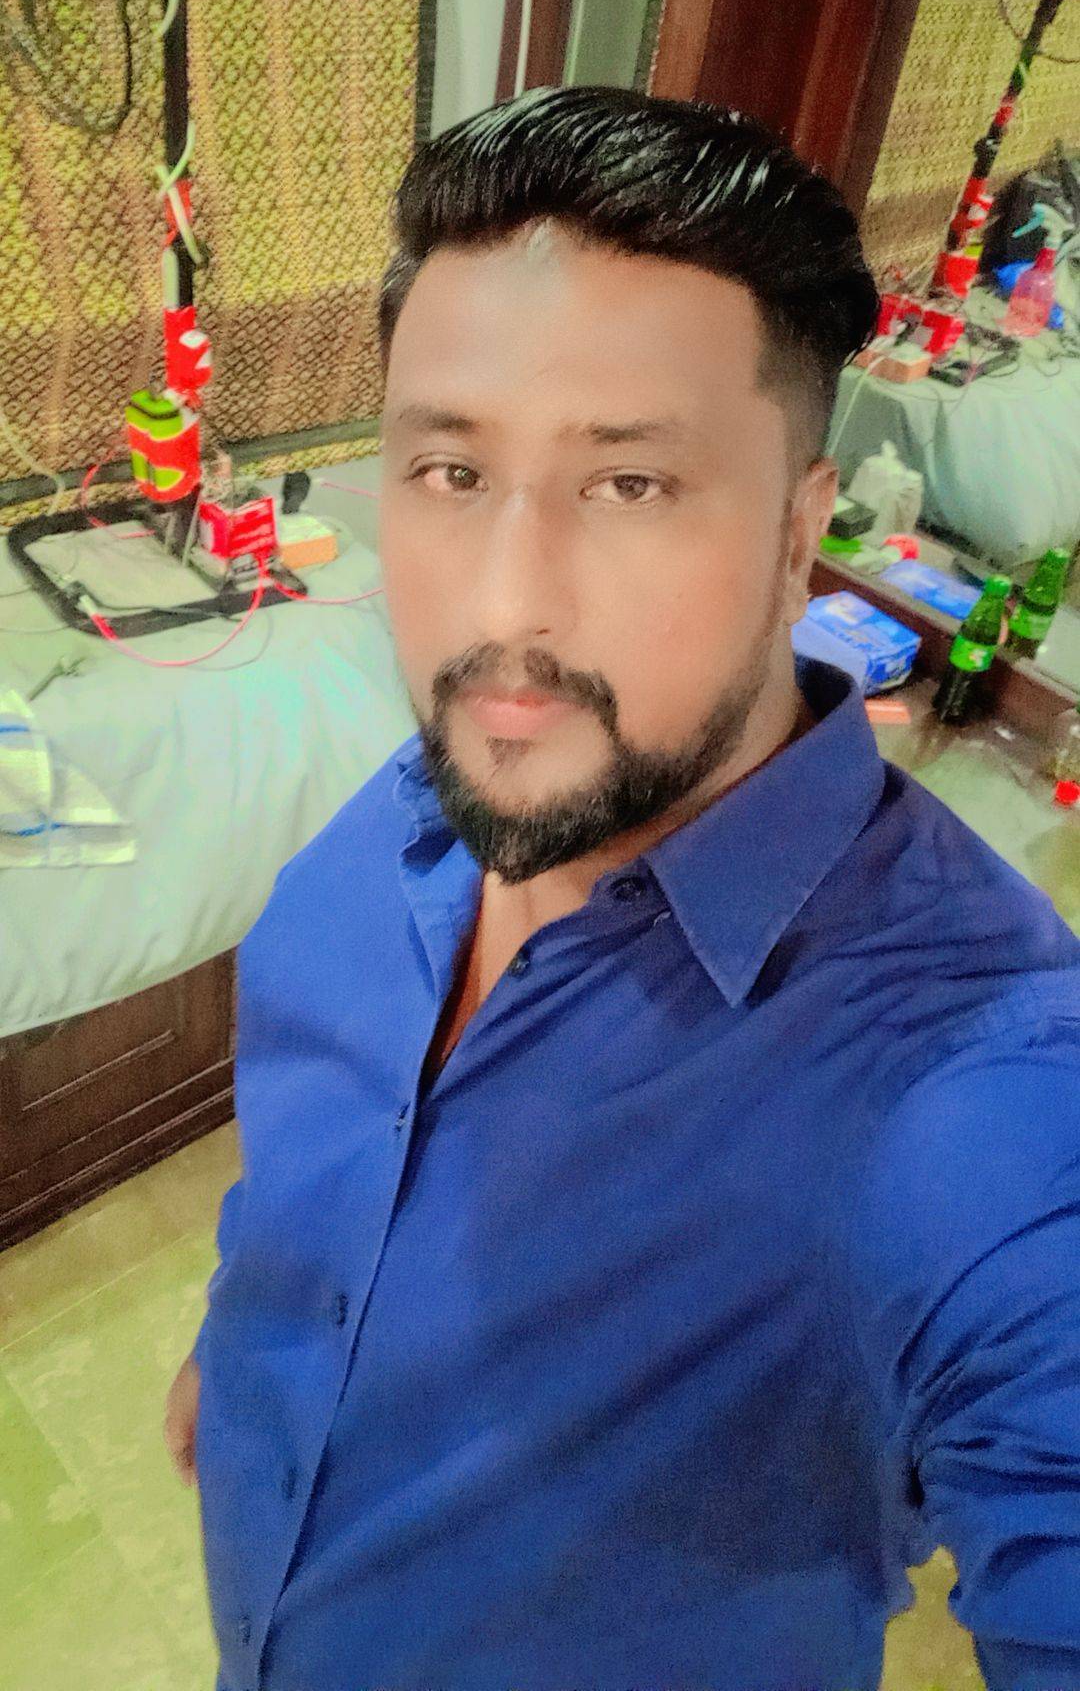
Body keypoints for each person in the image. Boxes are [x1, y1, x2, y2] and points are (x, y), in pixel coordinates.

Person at [166, 86, 1080, 1691]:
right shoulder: (402, 821)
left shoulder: (979, 1100)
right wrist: (253, 1349)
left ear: (800, 536)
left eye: (631, 484)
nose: (503, 606)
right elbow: (308, 1181)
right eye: (450, 471)